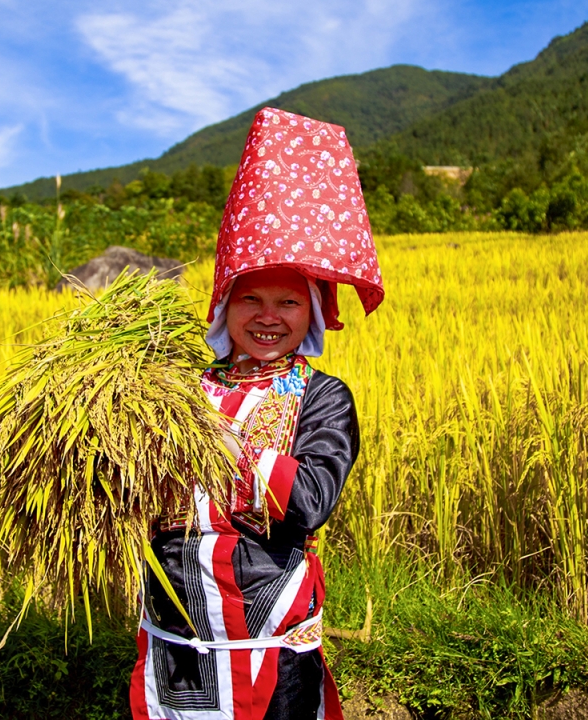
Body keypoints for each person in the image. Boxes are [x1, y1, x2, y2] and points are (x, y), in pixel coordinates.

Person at [131, 107, 384, 720]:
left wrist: (206, 446)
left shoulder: (323, 398)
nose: (268, 316)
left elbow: (309, 501)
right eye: (251, 299)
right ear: (225, 309)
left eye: (288, 302)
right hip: (174, 649)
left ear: (313, 315)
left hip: (272, 659)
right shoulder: (178, 389)